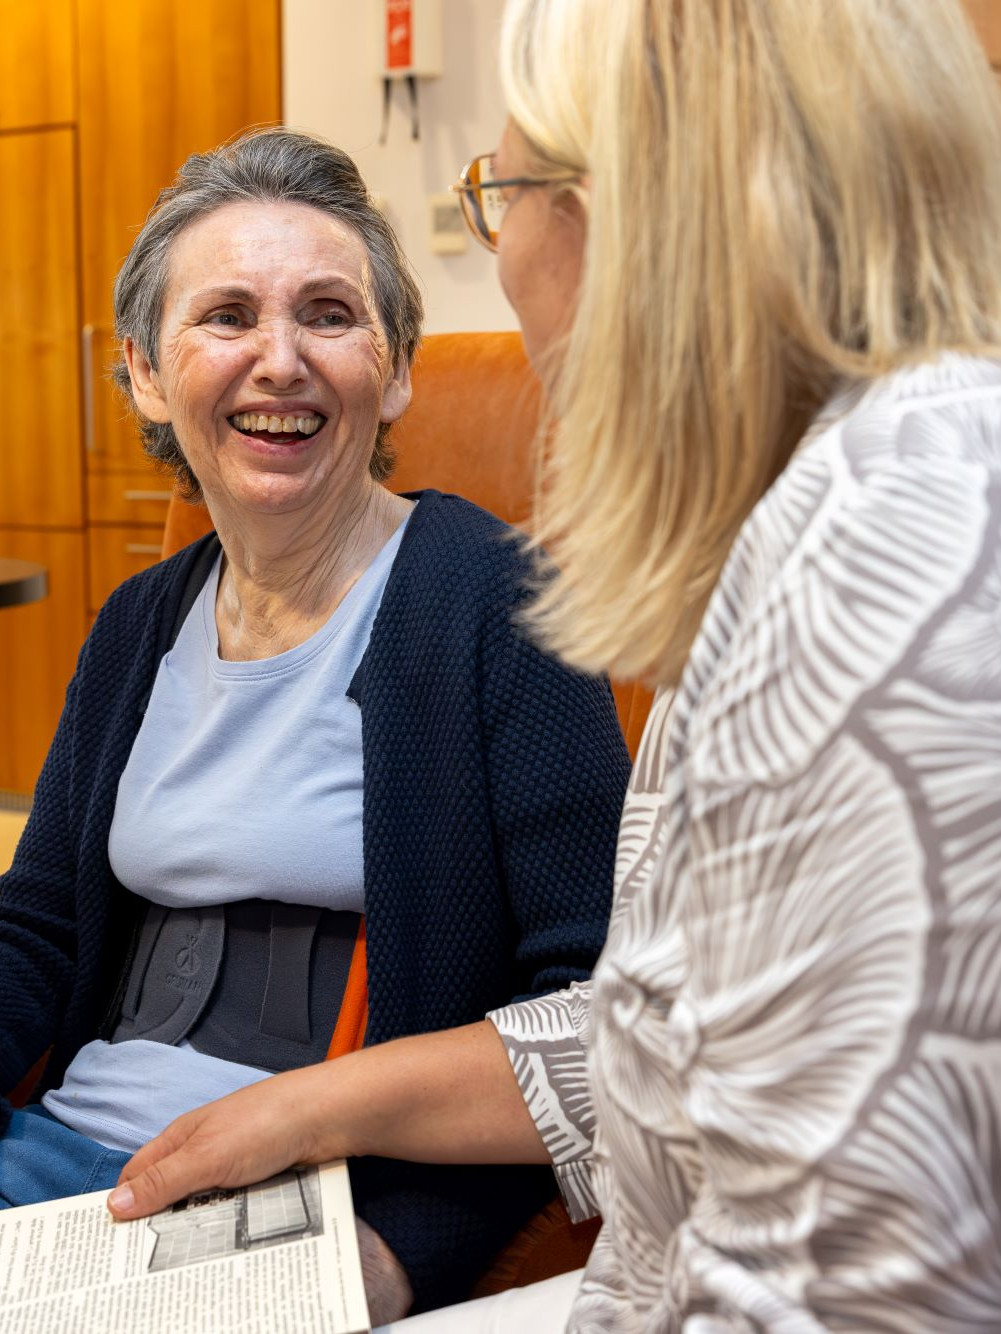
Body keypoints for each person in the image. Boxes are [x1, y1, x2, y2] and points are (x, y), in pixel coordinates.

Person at [107, 0, 1001, 1328]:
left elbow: (848, 1280)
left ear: (655, 213)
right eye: (223, 316)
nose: (505, 246)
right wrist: (303, 1102)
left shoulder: (889, 546)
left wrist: (380, 1217)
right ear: (144, 373)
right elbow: (660, 1038)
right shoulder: (830, 516)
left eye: (505, 191)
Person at [0, 128, 634, 1323]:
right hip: (69, 1172)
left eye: (329, 315)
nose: (277, 360)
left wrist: (394, 1253)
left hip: (305, 1207)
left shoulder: (503, 605)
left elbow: (595, 1025)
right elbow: (36, 925)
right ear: (144, 370)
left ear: (394, 371)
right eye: (226, 315)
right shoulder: (139, 621)